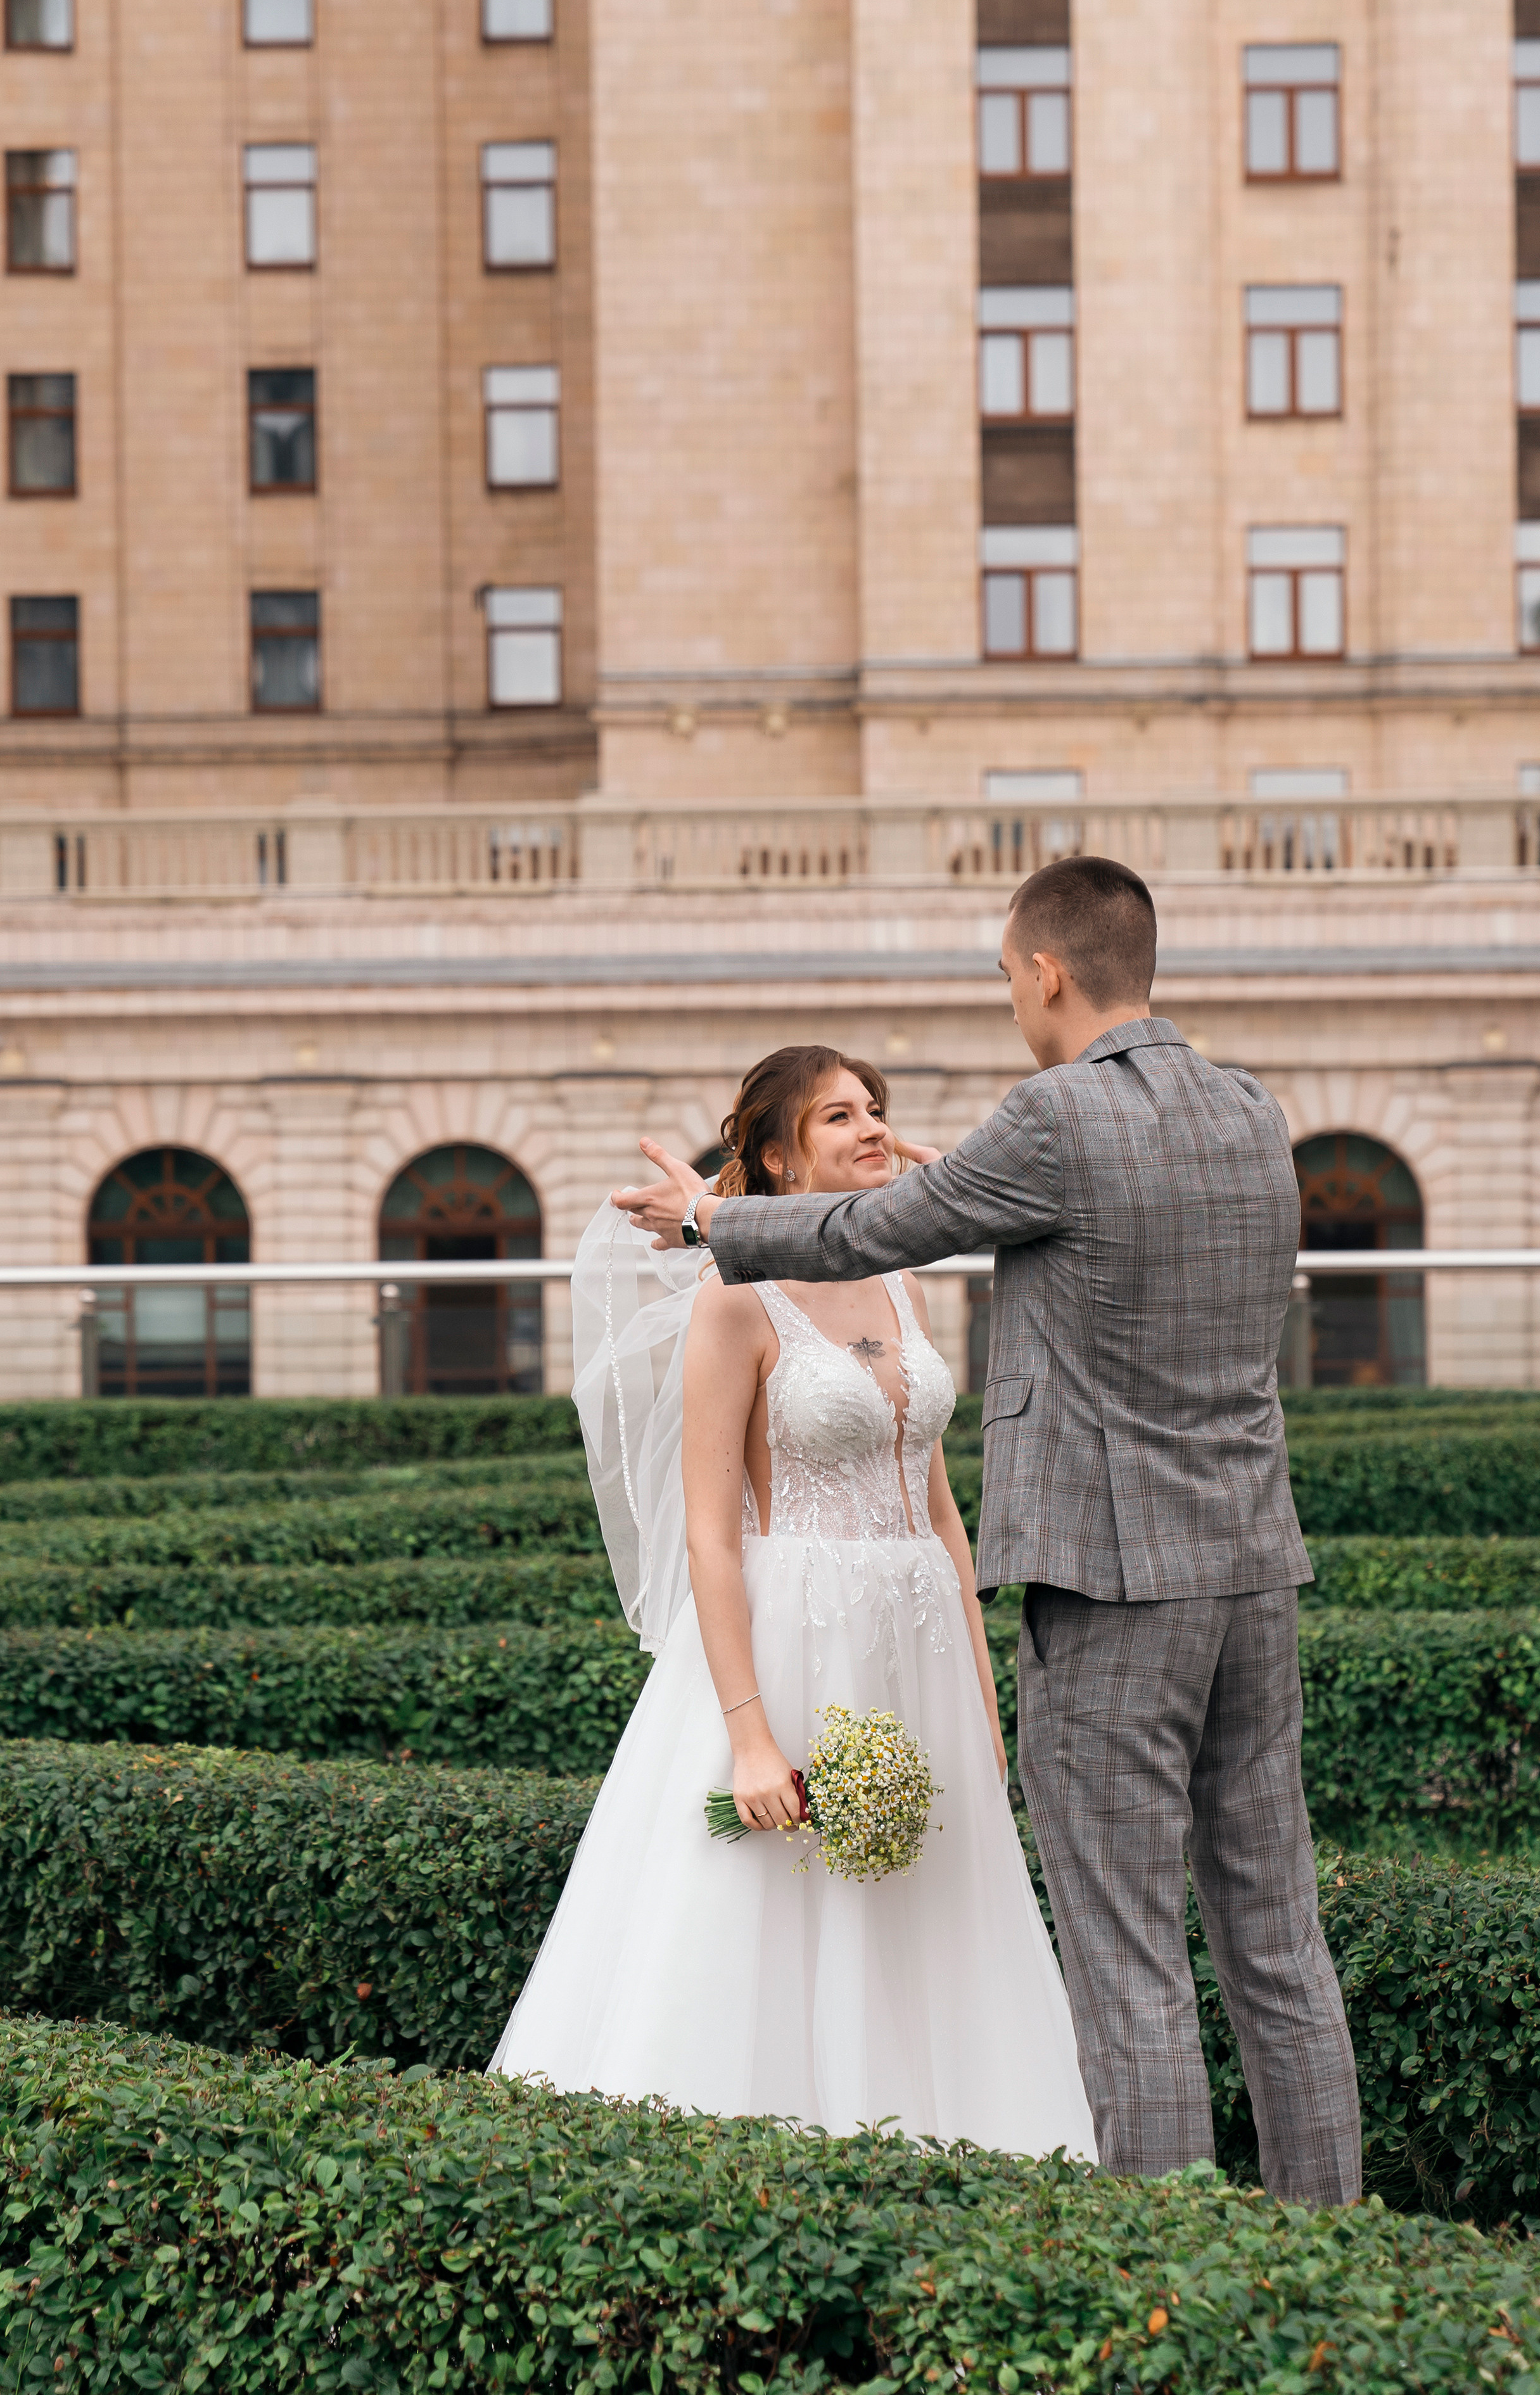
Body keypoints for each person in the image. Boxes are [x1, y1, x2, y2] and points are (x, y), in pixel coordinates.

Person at [615, 857, 1363, 2208]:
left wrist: (706, 1216)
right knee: (1276, 1941)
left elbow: (868, 1232)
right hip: (1254, 1570)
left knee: (1126, 1953)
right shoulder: (1252, 1114)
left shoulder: (1051, 1119)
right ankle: (1331, 2246)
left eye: (1003, 977)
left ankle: (1168, 2273)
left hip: (1112, 1586)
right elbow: (1121, 1221)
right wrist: (962, 1166)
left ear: (1042, 974)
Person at [491, 1043, 1095, 2154]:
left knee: (932, 1915)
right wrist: (752, 1738)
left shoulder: (908, 1283)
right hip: (794, 1638)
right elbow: (713, 1540)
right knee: (775, 1914)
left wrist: (980, 1693)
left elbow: (942, 1511)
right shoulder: (736, 1303)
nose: (871, 1128)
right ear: (774, 1156)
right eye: (837, 1117)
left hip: (918, 1646)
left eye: (876, 1109)